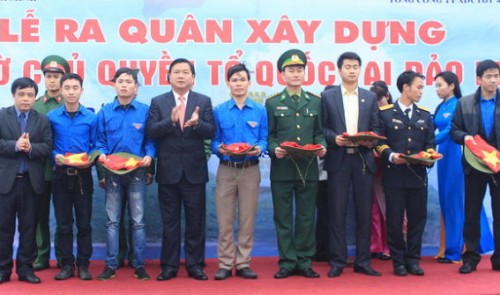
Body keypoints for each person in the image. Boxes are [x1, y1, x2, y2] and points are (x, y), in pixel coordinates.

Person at [146, 58, 215, 281]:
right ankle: (169, 265)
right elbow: (151, 131)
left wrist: (197, 124)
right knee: (170, 222)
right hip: (168, 172)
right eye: (176, 72)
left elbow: (210, 131)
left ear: (193, 78)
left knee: (196, 221)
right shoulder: (158, 102)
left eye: (186, 72)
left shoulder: (203, 101)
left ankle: (195, 265)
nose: (181, 76)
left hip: (194, 172)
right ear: (169, 77)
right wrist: (170, 120)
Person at [266, 49, 326, 279]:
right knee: (282, 217)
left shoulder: (315, 101)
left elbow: (319, 133)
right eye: (291, 70)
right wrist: (274, 150)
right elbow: (269, 137)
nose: (296, 74)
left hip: (308, 169)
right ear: (282, 74)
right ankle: (287, 261)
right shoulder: (272, 103)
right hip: (282, 169)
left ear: (305, 73)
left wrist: (322, 146)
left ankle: (304, 260)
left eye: (300, 70)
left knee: (305, 217)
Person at [321, 52, 382, 278]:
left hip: (363, 159)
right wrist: (333, 138)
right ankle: (337, 261)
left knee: (363, 212)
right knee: (337, 212)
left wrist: (370, 139)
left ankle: (363, 261)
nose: (352, 70)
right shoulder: (328, 97)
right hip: (338, 159)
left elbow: (376, 128)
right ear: (339, 69)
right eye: (347, 66)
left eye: (356, 66)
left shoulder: (369, 97)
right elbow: (322, 129)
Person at [95, 67, 156, 280]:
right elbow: (99, 142)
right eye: (120, 81)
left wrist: (149, 156)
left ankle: (139, 265)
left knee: (138, 221)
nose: (124, 85)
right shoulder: (104, 112)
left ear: (135, 87)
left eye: (128, 81)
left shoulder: (144, 111)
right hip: (112, 172)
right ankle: (111, 264)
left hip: (137, 172)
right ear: (114, 85)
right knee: (112, 221)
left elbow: (150, 140)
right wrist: (101, 156)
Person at [376, 70, 435, 276]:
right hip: (394, 176)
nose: (421, 91)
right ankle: (398, 261)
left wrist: (429, 156)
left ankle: (413, 259)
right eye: (418, 87)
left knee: (418, 219)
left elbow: (430, 144)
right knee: (394, 220)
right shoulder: (385, 113)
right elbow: (379, 142)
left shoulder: (425, 115)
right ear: (405, 88)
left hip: (418, 176)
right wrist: (391, 156)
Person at [211, 63, 268, 280]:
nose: (238, 83)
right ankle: (225, 264)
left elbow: (263, 138)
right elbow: (215, 141)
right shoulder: (219, 111)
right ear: (228, 83)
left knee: (247, 219)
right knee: (225, 220)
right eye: (234, 80)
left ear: (249, 83)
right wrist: (219, 149)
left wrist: (259, 149)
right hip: (226, 168)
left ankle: (243, 263)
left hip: (250, 169)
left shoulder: (259, 110)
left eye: (242, 79)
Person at [433, 71, 495, 264]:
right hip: (443, 155)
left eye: (440, 85)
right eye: (435, 86)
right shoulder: (441, 106)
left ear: (452, 86)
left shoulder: (458, 104)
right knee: (447, 201)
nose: (437, 89)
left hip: (457, 154)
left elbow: (449, 130)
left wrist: (427, 142)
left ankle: (456, 250)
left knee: (457, 201)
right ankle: (452, 247)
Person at [0, 77, 52, 284]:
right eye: (21, 94)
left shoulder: (42, 120)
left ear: (35, 97)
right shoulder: (2, 116)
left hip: (31, 183)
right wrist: (14, 146)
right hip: (6, 183)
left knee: (29, 227)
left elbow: (48, 146)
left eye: (30, 95)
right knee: (4, 228)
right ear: (14, 95)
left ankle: (25, 268)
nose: (25, 98)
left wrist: (30, 148)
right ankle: (3, 269)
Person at [450, 59, 500, 274]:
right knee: (471, 213)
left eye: (496, 76)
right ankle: (470, 258)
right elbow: (454, 131)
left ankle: (498, 259)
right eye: (488, 76)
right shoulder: (465, 103)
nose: (493, 80)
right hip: (474, 165)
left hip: (499, 166)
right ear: (479, 79)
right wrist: (467, 137)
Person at [47, 73, 96, 280]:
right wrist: (55, 156)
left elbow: (97, 145)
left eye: (75, 88)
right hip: (60, 175)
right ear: (61, 90)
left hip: (83, 176)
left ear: (81, 90)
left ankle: (83, 265)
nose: (71, 92)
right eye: (66, 88)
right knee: (64, 223)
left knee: (84, 223)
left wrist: (92, 158)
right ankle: (66, 264)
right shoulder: (52, 117)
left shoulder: (91, 118)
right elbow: (48, 144)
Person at [33, 55, 70, 271]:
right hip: (39, 169)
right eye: (49, 76)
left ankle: (64, 257)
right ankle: (41, 255)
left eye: (57, 76)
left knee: (64, 215)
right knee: (39, 215)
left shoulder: (71, 103)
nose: (53, 80)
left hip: (65, 169)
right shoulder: (35, 105)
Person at [369, 81, 392, 261]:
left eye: (380, 99)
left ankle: (390, 246)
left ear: (387, 97)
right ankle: (376, 245)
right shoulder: (370, 115)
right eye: (374, 100)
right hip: (373, 168)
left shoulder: (394, 114)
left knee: (390, 208)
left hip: (390, 166)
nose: (378, 103)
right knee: (374, 209)